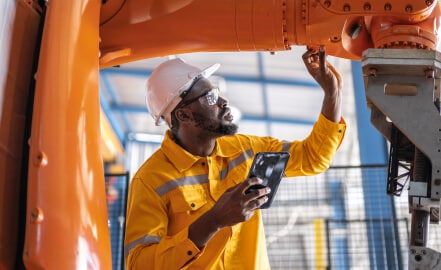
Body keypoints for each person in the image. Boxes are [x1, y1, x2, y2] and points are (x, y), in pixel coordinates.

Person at [124, 46, 346, 269]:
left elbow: (312, 158)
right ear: (183, 115)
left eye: (217, 92)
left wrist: (332, 93)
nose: (223, 102)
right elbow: (138, 264)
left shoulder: (246, 149)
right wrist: (213, 221)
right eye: (209, 97)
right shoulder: (151, 180)